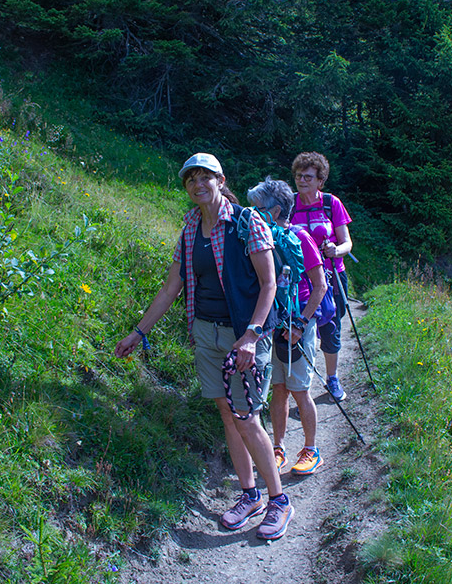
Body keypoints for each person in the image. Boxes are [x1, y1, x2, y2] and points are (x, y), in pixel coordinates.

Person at [114, 153, 294, 541]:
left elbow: (269, 285)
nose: (198, 185)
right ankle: (250, 495)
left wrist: (251, 334)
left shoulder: (248, 222)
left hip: (245, 338)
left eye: (205, 177)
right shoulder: (191, 228)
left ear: (220, 179)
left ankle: (279, 500)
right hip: (206, 334)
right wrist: (138, 332)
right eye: (190, 179)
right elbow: (170, 287)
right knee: (228, 415)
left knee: (247, 417)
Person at [247, 177, 328, 476]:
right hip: (273, 325)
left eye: (258, 207)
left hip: (298, 325)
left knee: (299, 390)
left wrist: (302, 323)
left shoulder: (301, 239)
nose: (253, 213)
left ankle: (311, 449)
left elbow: (319, 286)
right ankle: (277, 447)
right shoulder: (261, 238)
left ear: (276, 209)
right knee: (278, 389)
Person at [289, 152, 353, 401]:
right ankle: (298, 383)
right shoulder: (290, 203)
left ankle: (332, 378)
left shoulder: (331, 203)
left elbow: (347, 243)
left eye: (308, 176)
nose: (302, 180)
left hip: (331, 276)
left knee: (330, 326)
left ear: (320, 181)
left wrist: (335, 250)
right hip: (298, 280)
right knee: (298, 326)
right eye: (298, 175)